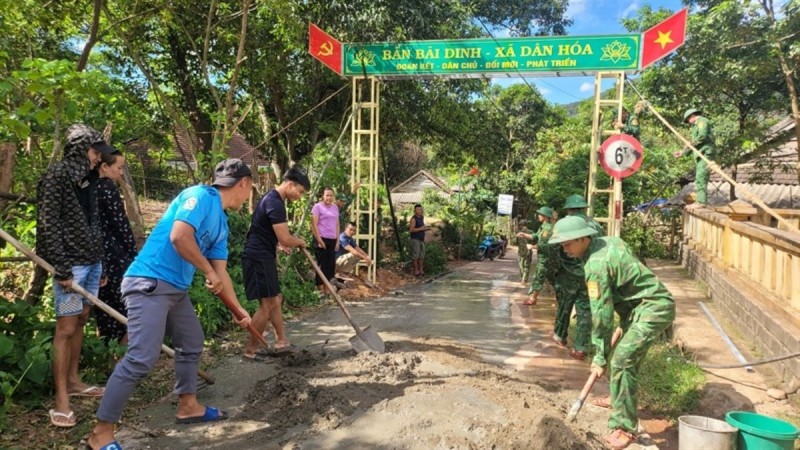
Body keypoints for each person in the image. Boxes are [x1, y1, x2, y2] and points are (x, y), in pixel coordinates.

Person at [87, 159, 254, 450]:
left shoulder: (222, 224)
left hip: (175, 289)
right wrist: (208, 271)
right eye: (250, 189)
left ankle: (188, 405)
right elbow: (179, 237)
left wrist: (239, 311)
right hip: (149, 282)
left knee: (191, 341)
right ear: (244, 184)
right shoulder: (199, 196)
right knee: (141, 357)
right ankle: (100, 434)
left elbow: (221, 272)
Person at [548, 216, 675, 450]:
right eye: (561, 245)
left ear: (583, 238)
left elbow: (602, 316)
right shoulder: (610, 241)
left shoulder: (595, 266)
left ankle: (625, 427)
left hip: (654, 307)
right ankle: (618, 399)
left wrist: (599, 356)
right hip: (635, 307)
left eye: (567, 243)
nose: (564, 249)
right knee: (622, 359)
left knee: (623, 359)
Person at [37, 124, 119, 428]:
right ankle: (61, 399)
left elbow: (96, 222)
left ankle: (73, 380)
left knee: (83, 318)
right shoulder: (57, 177)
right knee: (67, 327)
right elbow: (48, 224)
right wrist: (61, 267)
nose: (99, 158)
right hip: (71, 266)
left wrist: (103, 266)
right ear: (81, 149)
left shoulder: (91, 179)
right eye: (96, 151)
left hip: (92, 264)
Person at [241, 167, 309, 360]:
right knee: (268, 304)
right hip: (258, 257)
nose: (300, 196)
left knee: (275, 299)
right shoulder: (275, 202)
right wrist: (299, 241)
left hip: (264, 255)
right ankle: (251, 350)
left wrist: (278, 243)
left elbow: (267, 231)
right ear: (290, 184)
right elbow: (287, 238)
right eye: (300, 191)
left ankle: (281, 341)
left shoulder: (273, 199)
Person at [529, 197, 599, 360]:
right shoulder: (595, 225)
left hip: (567, 274)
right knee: (585, 310)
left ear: (568, 210)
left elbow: (550, 248)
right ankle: (581, 347)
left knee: (564, 306)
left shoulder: (564, 225)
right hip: (590, 273)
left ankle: (560, 335)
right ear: (584, 209)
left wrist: (555, 273)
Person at [96, 151, 138, 345]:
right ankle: (121, 356)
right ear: (105, 166)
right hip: (114, 253)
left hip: (95, 253)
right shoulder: (107, 188)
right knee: (127, 305)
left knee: (104, 307)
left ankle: (107, 352)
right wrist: (133, 253)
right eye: (119, 167)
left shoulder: (87, 187)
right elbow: (121, 225)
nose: (121, 173)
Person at [674, 108, 716, 206]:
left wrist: (690, 143)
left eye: (688, 120)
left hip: (706, 153)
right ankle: (700, 201)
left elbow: (702, 136)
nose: (688, 122)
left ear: (692, 116)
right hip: (700, 154)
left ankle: (701, 202)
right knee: (699, 177)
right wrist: (683, 152)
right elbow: (694, 143)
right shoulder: (695, 126)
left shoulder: (702, 121)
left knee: (701, 177)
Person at [519, 206, 555, 293]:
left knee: (539, 277)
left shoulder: (548, 229)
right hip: (543, 258)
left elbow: (545, 244)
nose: (538, 216)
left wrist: (532, 247)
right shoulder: (543, 226)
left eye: (540, 214)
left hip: (546, 258)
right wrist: (524, 235)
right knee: (546, 277)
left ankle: (532, 298)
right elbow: (535, 236)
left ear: (545, 216)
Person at [311, 187, 339, 296]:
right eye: (327, 195)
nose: (329, 197)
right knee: (321, 265)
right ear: (323, 196)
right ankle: (320, 289)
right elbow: (313, 225)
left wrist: (337, 241)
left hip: (332, 239)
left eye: (331, 195)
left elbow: (337, 224)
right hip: (321, 239)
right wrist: (319, 240)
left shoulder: (335, 207)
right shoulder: (317, 207)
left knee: (330, 265)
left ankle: (327, 288)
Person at [408, 204, 430, 277]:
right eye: (417, 209)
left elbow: (422, 228)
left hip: (421, 239)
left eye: (420, 209)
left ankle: (421, 270)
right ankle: (415, 271)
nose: (419, 211)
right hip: (415, 239)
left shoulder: (421, 217)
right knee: (415, 256)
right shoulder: (413, 219)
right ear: (414, 211)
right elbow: (411, 230)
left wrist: (426, 228)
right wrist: (421, 228)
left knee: (421, 256)